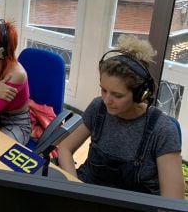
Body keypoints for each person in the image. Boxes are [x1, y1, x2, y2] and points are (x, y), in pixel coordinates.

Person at [58, 35, 184, 199]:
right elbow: (65, 149)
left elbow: (173, 202)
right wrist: (74, 186)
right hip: (88, 193)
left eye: (117, 95)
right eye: (103, 90)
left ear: (141, 94)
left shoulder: (162, 131)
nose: (107, 100)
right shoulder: (98, 108)